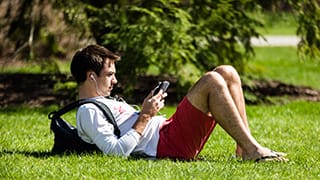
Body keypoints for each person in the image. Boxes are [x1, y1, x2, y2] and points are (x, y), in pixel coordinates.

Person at [70, 44, 287, 162]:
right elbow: (115, 152)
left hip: (168, 130)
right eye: (109, 75)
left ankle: (245, 148)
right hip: (167, 145)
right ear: (91, 77)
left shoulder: (102, 101)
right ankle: (253, 150)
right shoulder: (89, 112)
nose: (115, 80)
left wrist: (148, 112)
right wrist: (145, 116)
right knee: (211, 80)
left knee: (226, 72)